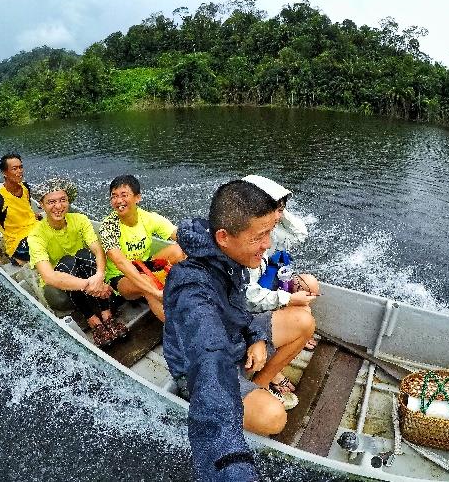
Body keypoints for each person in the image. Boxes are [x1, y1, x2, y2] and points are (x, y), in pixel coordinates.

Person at [163, 180, 316, 481]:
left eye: (269, 232)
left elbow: (238, 308)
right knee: (274, 417)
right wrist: (234, 470)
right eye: (260, 236)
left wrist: (255, 337)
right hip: (201, 369)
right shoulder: (191, 288)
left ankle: (258, 386)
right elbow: (209, 363)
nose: (268, 244)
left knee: (303, 321)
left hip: (235, 340)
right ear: (223, 236)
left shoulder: (228, 256)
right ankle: (249, 398)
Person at [242, 175, 321, 394]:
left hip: (264, 288)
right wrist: (288, 299)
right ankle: (265, 378)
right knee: (303, 319)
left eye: (281, 209)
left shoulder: (267, 227)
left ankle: (289, 340)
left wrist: (278, 212)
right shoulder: (241, 239)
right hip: (247, 308)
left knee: (310, 285)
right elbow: (246, 296)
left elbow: (299, 234)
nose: (267, 243)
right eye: (274, 209)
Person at [27, 177, 126, 348]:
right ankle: (92, 320)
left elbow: (97, 249)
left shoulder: (80, 220)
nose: (58, 207)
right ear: (42, 205)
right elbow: (49, 276)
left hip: (87, 276)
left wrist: (100, 274)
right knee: (68, 261)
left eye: (62, 200)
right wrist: (92, 285)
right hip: (59, 290)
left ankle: (106, 315)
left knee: (83, 254)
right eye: (51, 202)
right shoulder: (36, 235)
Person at [100, 175, 184, 322]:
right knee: (147, 283)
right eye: (114, 196)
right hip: (119, 278)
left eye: (124, 195)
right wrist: (156, 292)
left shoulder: (149, 218)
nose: (119, 201)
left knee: (178, 250)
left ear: (137, 198)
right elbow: (120, 262)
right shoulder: (108, 226)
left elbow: (181, 236)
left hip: (143, 266)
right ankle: (177, 328)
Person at [0, 153, 38, 266]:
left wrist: (33, 214)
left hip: (36, 230)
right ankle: (17, 259)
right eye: (15, 169)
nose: (20, 171)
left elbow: (25, 207)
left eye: (21, 167)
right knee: (43, 244)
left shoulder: (25, 187)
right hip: (18, 243)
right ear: (4, 173)